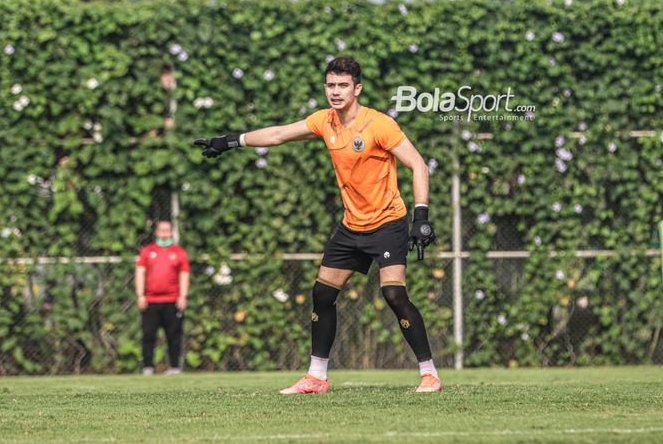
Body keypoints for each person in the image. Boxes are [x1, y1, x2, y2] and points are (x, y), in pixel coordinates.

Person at [194, 57, 441, 393]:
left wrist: (421, 217)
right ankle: (316, 376)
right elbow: (280, 134)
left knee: (394, 293)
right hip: (351, 226)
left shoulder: (379, 125)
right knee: (322, 293)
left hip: (388, 222)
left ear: (357, 89)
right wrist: (231, 140)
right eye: (330, 85)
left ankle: (429, 373)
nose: (335, 92)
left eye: (342, 86)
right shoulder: (324, 121)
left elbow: (418, 165)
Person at [135, 221, 190, 375]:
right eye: (162, 231)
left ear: (171, 233)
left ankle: (174, 367)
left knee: (174, 335)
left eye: (167, 231)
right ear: (156, 232)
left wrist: (183, 296)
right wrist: (140, 295)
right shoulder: (147, 251)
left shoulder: (179, 252)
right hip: (150, 302)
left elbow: (184, 275)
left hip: (172, 301)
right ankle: (148, 367)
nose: (164, 234)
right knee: (148, 336)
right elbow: (140, 273)